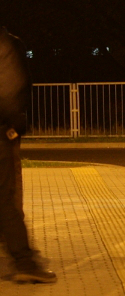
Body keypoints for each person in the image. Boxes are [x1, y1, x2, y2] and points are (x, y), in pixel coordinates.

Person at [0, 26, 56, 284]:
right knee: (5, 200)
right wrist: (15, 125)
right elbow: (11, 90)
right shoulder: (5, 45)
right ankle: (25, 262)